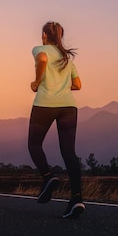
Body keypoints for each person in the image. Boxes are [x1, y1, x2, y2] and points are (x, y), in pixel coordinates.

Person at [28, 21, 85, 219]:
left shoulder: (40, 49)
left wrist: (37, 82)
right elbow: (77, 85)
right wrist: (62, 86)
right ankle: (77, 199)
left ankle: (48, 177)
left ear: (44, 35)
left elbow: (42, 59)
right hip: (68, 106)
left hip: (45, 104)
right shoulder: (66, 58)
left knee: (34, 145)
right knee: (69, 153)